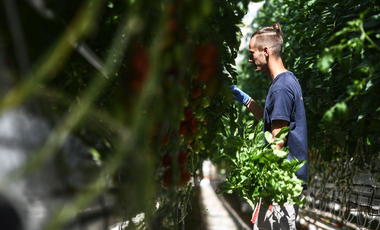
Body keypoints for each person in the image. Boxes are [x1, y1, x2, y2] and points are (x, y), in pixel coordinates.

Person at [230, 22, 307, 230]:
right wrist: (246, 100)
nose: (249, 58)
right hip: (283, 183)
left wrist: (260, 178)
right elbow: (272, 120)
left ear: (266, 51)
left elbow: (277, 142)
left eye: (252, 52)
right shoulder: (286, 81)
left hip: (279, 185)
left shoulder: (281, 88)